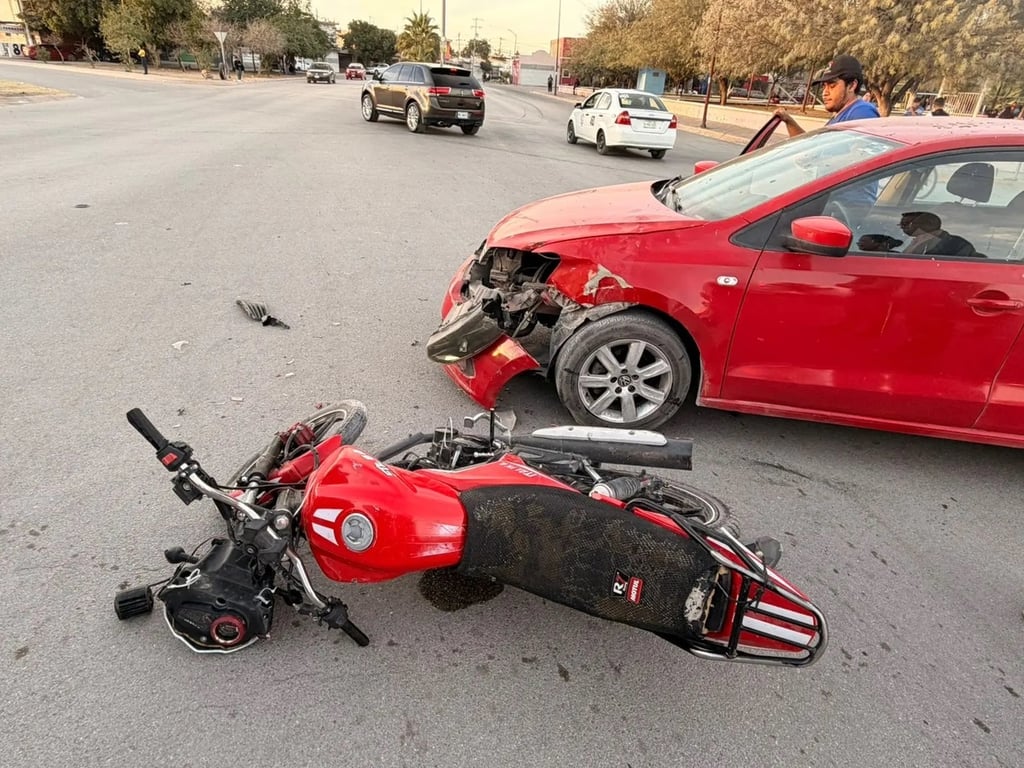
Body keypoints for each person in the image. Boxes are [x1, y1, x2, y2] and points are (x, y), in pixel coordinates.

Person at [773, 54, 878, 137]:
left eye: (832, 86)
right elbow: (811, 146)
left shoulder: (861, 113)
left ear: (851, 86)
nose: (825, 92)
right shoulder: (842, 115)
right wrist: (789, 121)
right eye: (824, 86)